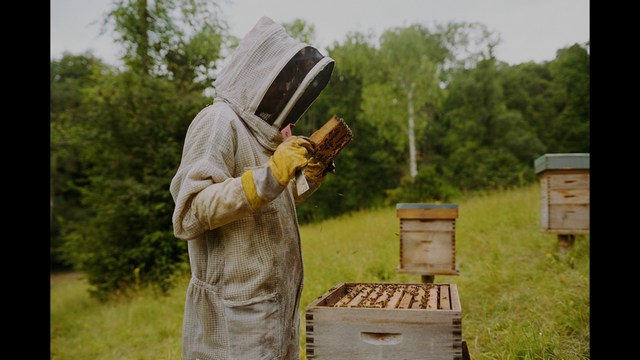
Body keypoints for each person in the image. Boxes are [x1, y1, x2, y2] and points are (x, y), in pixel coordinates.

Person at [169, 16, 335, 360]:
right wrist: (272, 174)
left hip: (274, 301)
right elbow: (191, 212)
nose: (288, 95)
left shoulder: (261, 135)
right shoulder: (217, 121)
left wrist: (308, 178)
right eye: (283, 85)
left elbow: (269, 200)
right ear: (261, 78)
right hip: (234, 313)